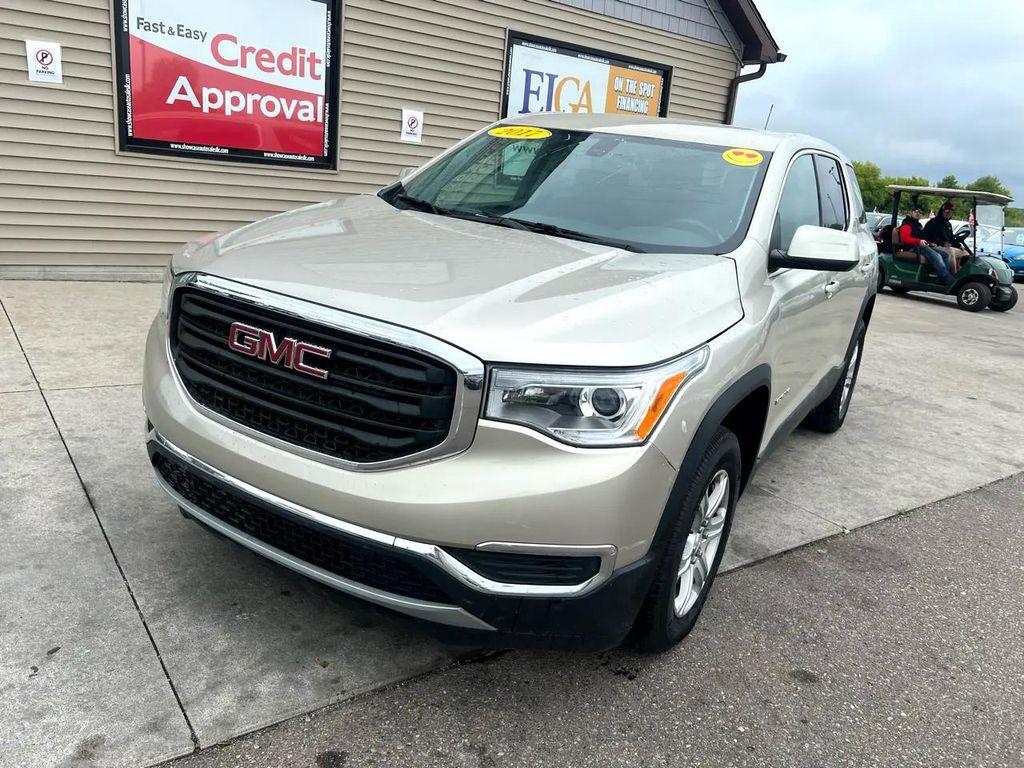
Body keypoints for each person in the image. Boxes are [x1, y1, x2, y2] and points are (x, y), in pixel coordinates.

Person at [898, 208, 954, 286]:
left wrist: (931, 243)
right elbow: (905, 239)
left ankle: (940, 279)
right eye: (916, 211)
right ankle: (947, 278)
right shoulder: (907, 224)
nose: (918, 213)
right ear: (911, 212)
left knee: (946, 255)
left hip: (921, 246)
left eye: (920, 212)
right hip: (912, 247)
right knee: (937, 256)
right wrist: (919, 241)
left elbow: (923, 238)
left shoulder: (918, 225)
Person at [923, 202, 965, 271]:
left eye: (950, 212)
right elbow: (932, 237)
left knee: (964, 252)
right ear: (942, 211)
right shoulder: (935, 222)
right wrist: (943, 243)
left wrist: (958, 245)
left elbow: (951, 238)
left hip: (944, 246)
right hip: (932, 245)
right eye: (946, 211)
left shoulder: (948, 224)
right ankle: (953, 274)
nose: (948, 214)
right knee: (951, 252)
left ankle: (959, 270)